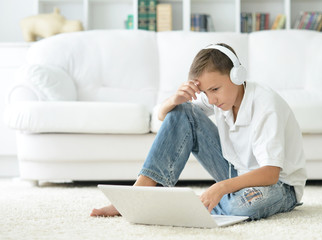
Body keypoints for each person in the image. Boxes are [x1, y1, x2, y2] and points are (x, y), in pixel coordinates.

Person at [91, 43, 307, 220]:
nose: (211, 99)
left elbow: (270, 173)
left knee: (243, 207)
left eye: (215, 89)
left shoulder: (266, 105)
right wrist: (174, 100)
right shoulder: (219, 98)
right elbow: (165, 117)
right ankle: (135, 198)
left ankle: (189, 207)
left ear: (237, 76)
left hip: (279, 186)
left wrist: (220, 187)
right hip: (236, 173)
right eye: (205, 92)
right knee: (182, 110)